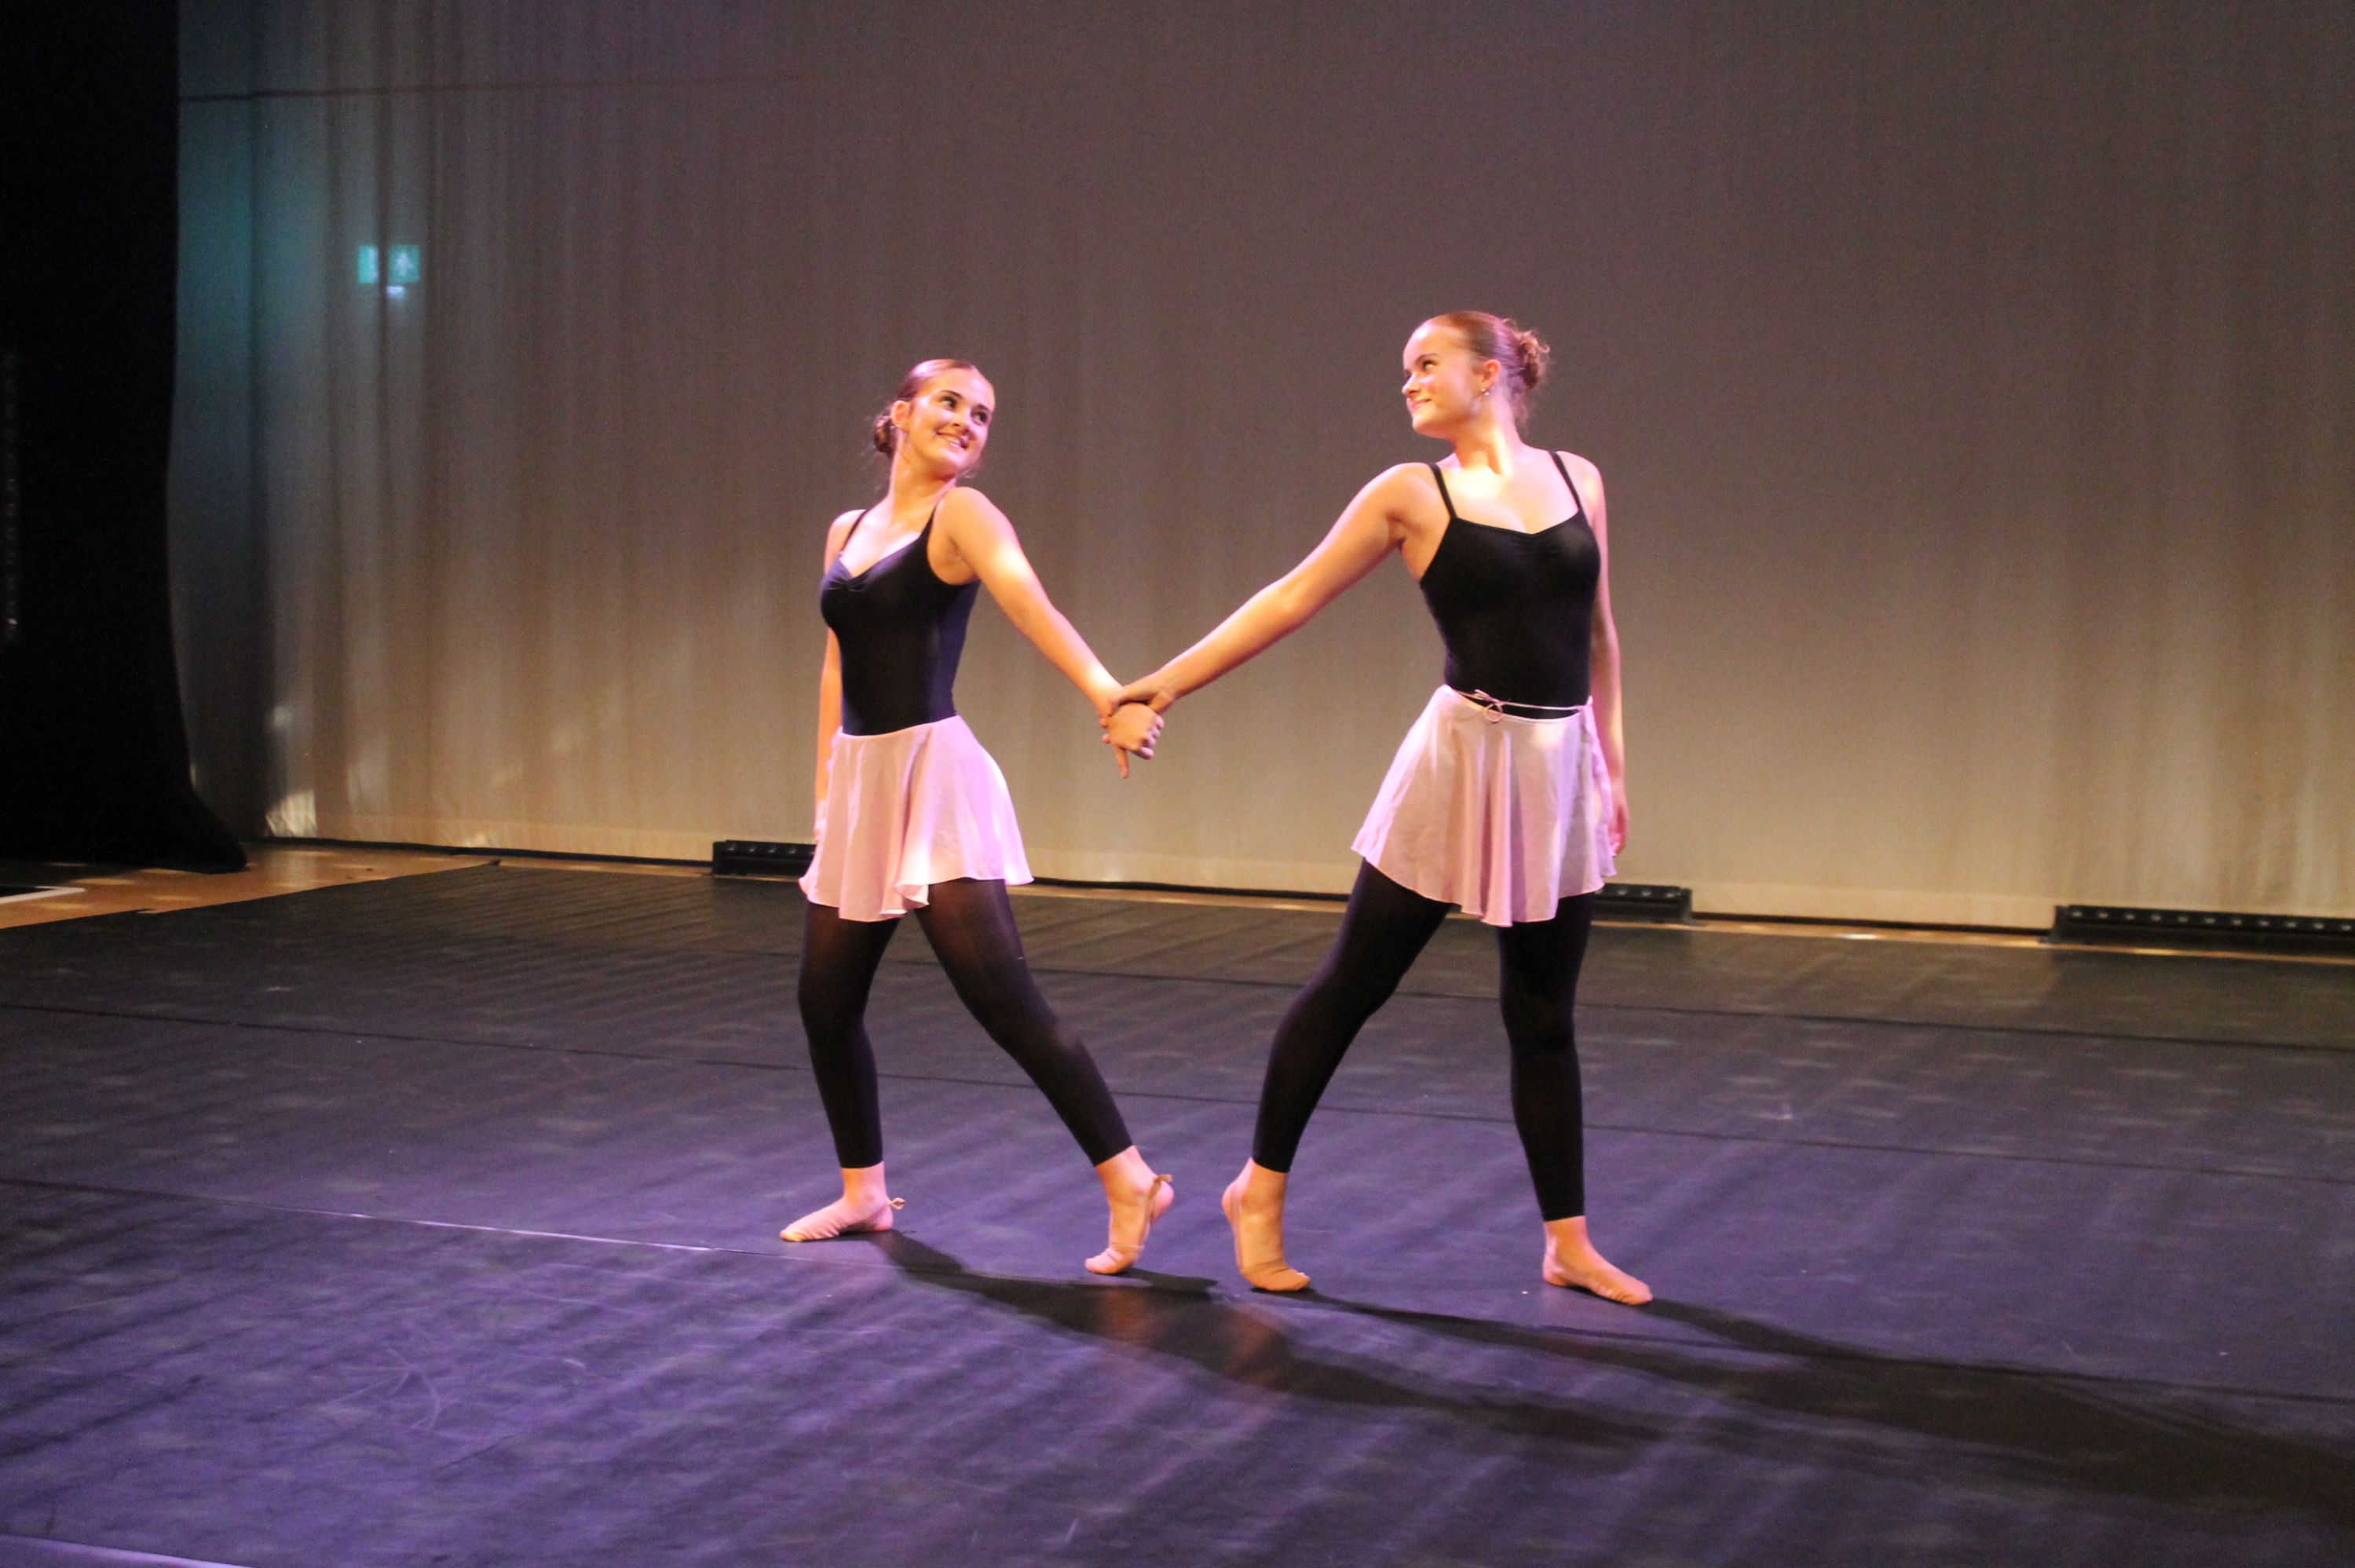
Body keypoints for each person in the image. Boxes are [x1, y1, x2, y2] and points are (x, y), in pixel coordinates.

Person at [1114, 313, 1649, 1303]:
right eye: (1403, 368)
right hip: (1460, 759)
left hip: (1557, 764)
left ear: (1488, 375)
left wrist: (1610, 765)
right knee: (1351, 984)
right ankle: (1256, 1193)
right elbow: (1286, 599)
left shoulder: (1580, 478)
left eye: (1425, 365)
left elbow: (1601, 633)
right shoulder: (1411, 493)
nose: (1405, 383)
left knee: (1542, 1015)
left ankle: (1566, 1240)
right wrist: (1159, 685)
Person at [784, 357, 1172, 1275]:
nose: (966, 421)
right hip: (863, 779)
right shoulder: (848, 528)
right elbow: (837, 663)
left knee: (1002, 998)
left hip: (935, 778)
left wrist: (1106, 694)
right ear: (902, 412)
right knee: (824, 1002)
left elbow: (1029, 603)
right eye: (950, 403)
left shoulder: (962, 515)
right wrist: (826, 788)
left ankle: (1129, 1176)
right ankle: (863, 1189)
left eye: (983, 414)